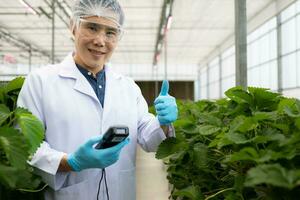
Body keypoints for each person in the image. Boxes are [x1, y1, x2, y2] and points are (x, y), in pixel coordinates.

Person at [17, 0, 178, 199]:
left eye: (110, 32)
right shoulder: (40, 82)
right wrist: (70, 162)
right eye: (92, 28)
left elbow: (149, 140)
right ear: (73, 27)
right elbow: (25, 147)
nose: (100, 41)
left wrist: (162, 123)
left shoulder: (128, 87)